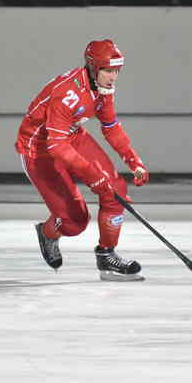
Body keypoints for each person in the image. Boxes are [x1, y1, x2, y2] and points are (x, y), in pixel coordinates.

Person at [16, 39, 150, 281]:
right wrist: (91, 175)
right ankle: (48, 233)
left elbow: (110, 126)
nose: (113, 77)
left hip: (72, 137)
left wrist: (134, 160)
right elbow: (55, 145)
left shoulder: (103, 87)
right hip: (40, 151)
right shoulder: (67, 93)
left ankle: (107, 255)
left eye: (116, 71)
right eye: (108, 70)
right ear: (92, 67)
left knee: (115, 188)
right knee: (74, 223)